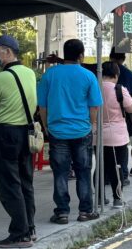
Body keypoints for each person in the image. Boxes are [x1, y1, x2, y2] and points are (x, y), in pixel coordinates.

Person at [0, 34, 38, 247]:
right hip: (26, 134)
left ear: (7, 51)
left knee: (9, 185)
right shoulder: (29, 73)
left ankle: (19, 233)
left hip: (5, 135)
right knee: (25, 182)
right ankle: (30, 228)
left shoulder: (1, 78)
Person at [38, 38, 102, 225]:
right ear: (81, 55)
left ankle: (62, 213)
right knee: (83, 171)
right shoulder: (88, 76)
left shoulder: (50, 75)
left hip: (57, 130)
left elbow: (42, 106)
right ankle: (84, 211)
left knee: (60, 173)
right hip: (82, 130)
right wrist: (91, 125)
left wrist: (46, 126)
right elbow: (94, 107)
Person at [100, 61, 132, 208]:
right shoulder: (119, 89)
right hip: (117, 135)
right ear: (116, 74)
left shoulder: (95, 87)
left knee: (101, 167)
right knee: (117, 166)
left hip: (97, 135)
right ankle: (117, 198)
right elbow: (131, 107)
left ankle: (99, 198)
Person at [110, 49, 132, 185]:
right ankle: (123, 176)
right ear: (123, 57)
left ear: (110, 57)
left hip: (103, 119)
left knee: (105, 150)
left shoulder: (101, 72)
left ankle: (106, 176)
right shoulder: (130, 75)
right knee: (122, 147)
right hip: (124, 116)